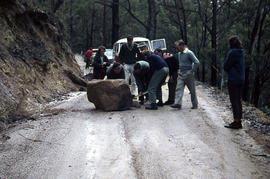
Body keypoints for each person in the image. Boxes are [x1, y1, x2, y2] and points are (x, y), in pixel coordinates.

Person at [170, 40, 200, 109]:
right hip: (181, 74)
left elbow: (197, 62)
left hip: (188, 74)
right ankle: (178, 103)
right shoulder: (179, 54)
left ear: (183, 46)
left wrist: (191, 71)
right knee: (178, 88)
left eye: (179, 47)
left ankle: (195, 104)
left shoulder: (189, 53)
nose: (177, 48)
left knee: (192, 90)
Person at [224, 36, 245, 129]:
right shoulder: (241, 52)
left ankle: (236, 122)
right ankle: (238, 121)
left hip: (233, 79)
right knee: (238, 100)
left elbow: (226, 66)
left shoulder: (232, 52)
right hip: (241, 79)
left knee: (234, 101)